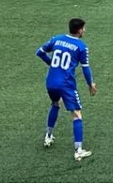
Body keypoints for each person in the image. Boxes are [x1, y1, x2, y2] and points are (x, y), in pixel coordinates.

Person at [35, 18, 95, 161]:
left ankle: (48, 136)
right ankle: (78, 150)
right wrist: (90, 84)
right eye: (84, 28)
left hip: (51, 82)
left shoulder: (57, 39)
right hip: (66, 84)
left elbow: (40, 52)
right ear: (79, 30)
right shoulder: (81, 46)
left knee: (56, 103)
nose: (84, 31)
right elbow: (86, 68)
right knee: (76, 114)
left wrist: (53, 65)